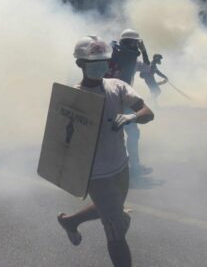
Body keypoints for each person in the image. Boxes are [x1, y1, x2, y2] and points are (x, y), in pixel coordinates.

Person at [58, 36, 154, 267]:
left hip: (121, 166)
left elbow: (147, 112)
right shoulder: (73, 97)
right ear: (80, 64)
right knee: (116, 233)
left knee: (113, 210)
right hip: (95, 173)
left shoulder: (117, 86)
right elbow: (62, 138)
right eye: (94, 62)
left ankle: (71, 222)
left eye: (104, 61)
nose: (101, 66)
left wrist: (132, 116)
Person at [106, 29, 152, 176]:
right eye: (133, 43)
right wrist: (144, 51)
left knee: (130, 133)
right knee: (128, 133)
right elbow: (148, 68)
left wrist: (143, 51)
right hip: (118, 100)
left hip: (117, 99)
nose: (134, 46)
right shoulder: (114, 57)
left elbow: (147, 68)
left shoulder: (112, 56)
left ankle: (132, 165)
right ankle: (129, 166)